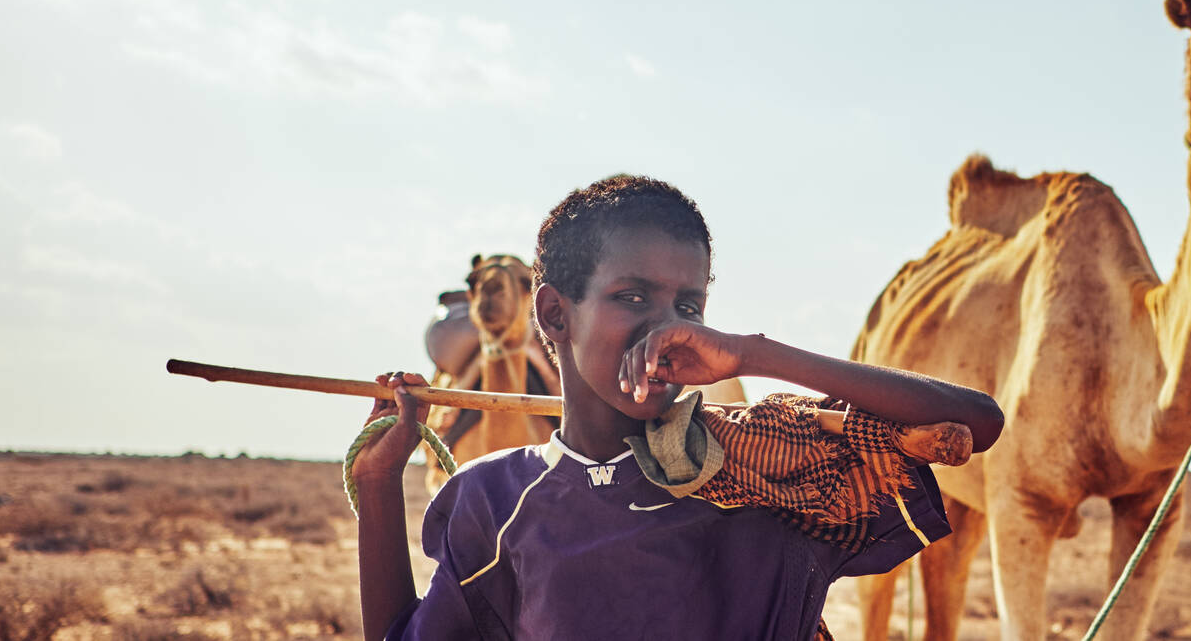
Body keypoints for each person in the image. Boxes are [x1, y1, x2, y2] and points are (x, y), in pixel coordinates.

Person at [349, 175, 1005, 640]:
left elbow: (979, 423)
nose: (668, 328)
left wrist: (751, 354)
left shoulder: (763, 467)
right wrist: (378, 490)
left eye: (688, 307)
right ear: (554, 313)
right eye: (632, 296)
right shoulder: (491, 501)